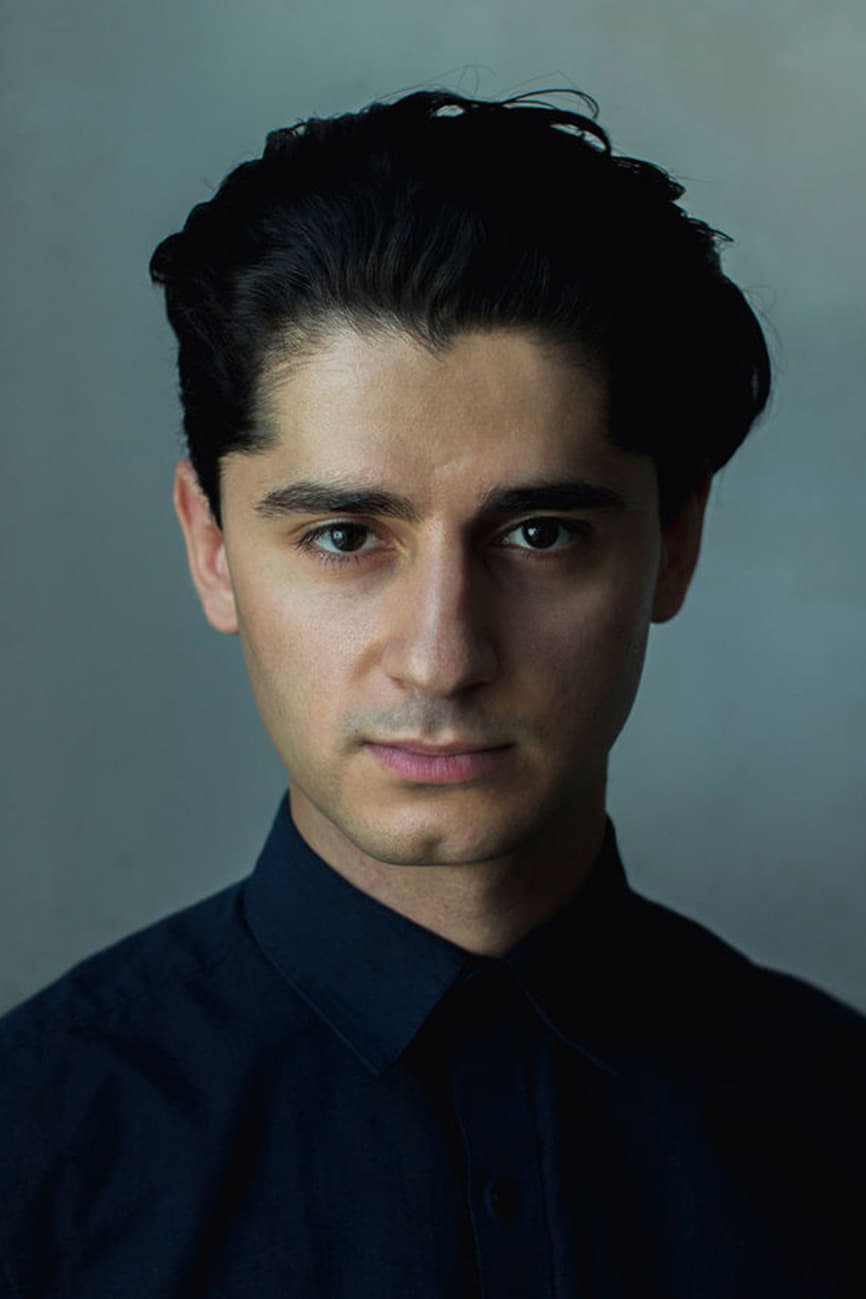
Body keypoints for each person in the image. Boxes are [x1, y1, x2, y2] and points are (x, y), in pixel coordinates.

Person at [1, 88, 863, 1299]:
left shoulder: (837, 1125)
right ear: (211, 548)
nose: (441, 658)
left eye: (540, 534)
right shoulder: (32, 1151)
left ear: (671, 547)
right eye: (345, 536)